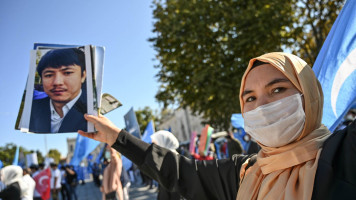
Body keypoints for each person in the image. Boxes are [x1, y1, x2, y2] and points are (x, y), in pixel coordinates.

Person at [79, 52, 356, 199]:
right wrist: (116, 137)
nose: (261, 106)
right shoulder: (245, 172)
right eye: (250, 97)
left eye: (277, 90)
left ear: (309, 96)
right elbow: (178, 170)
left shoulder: (344, 155)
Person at [29, 48, 87, 133]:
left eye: (67, 73)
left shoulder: (92, 111)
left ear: (83, 76)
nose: (57, 82)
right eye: (49, 75)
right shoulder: (32, 109)